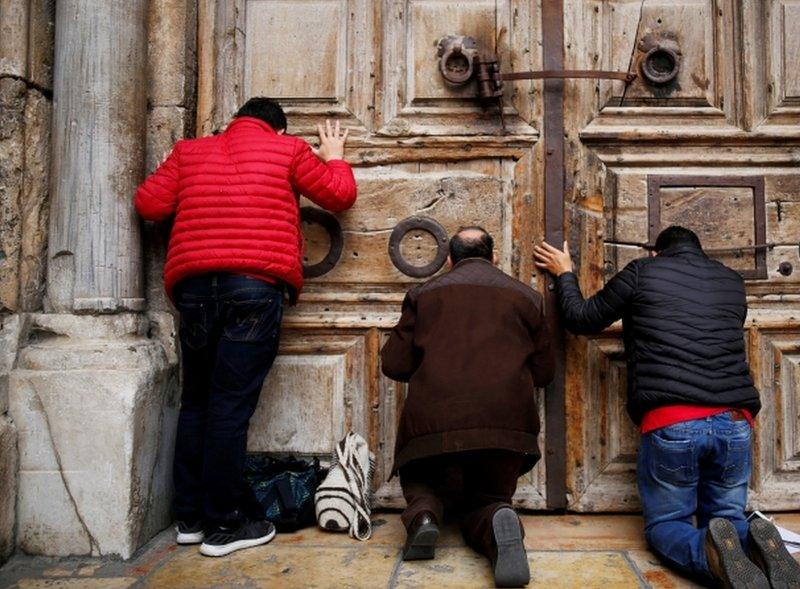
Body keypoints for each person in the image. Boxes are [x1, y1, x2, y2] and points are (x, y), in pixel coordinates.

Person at [134, 97, 357, 557]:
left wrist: (171, 168)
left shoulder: (189, 151)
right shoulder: (288, 151)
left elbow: (149, 204)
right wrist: (333, 157)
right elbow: (339, 196)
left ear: (232, 122)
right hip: (254, 290)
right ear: (276, 130)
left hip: (194, 291)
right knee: (230, 407)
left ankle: (190, 520)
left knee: (195, 401)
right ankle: (224, 526)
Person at [534, 227, 800, 589]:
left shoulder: (641, 272)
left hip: (673, 421)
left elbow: (583, 319)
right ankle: (756, 545)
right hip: (735, 421)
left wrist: (565, 273)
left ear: (655, 254)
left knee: (668, 526)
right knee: (728, 516)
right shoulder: (731, 281)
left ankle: (712, 557)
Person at [381, 227, 554, 588]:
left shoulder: (423, 294)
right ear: (494, 258)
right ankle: (496, 517)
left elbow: (394, 365)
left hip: (433, 425)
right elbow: (544, 373)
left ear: (449, 259)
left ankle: (424, 516)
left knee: (423, 479)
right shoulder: (529, 298)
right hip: (506, 428)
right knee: (487, 497)